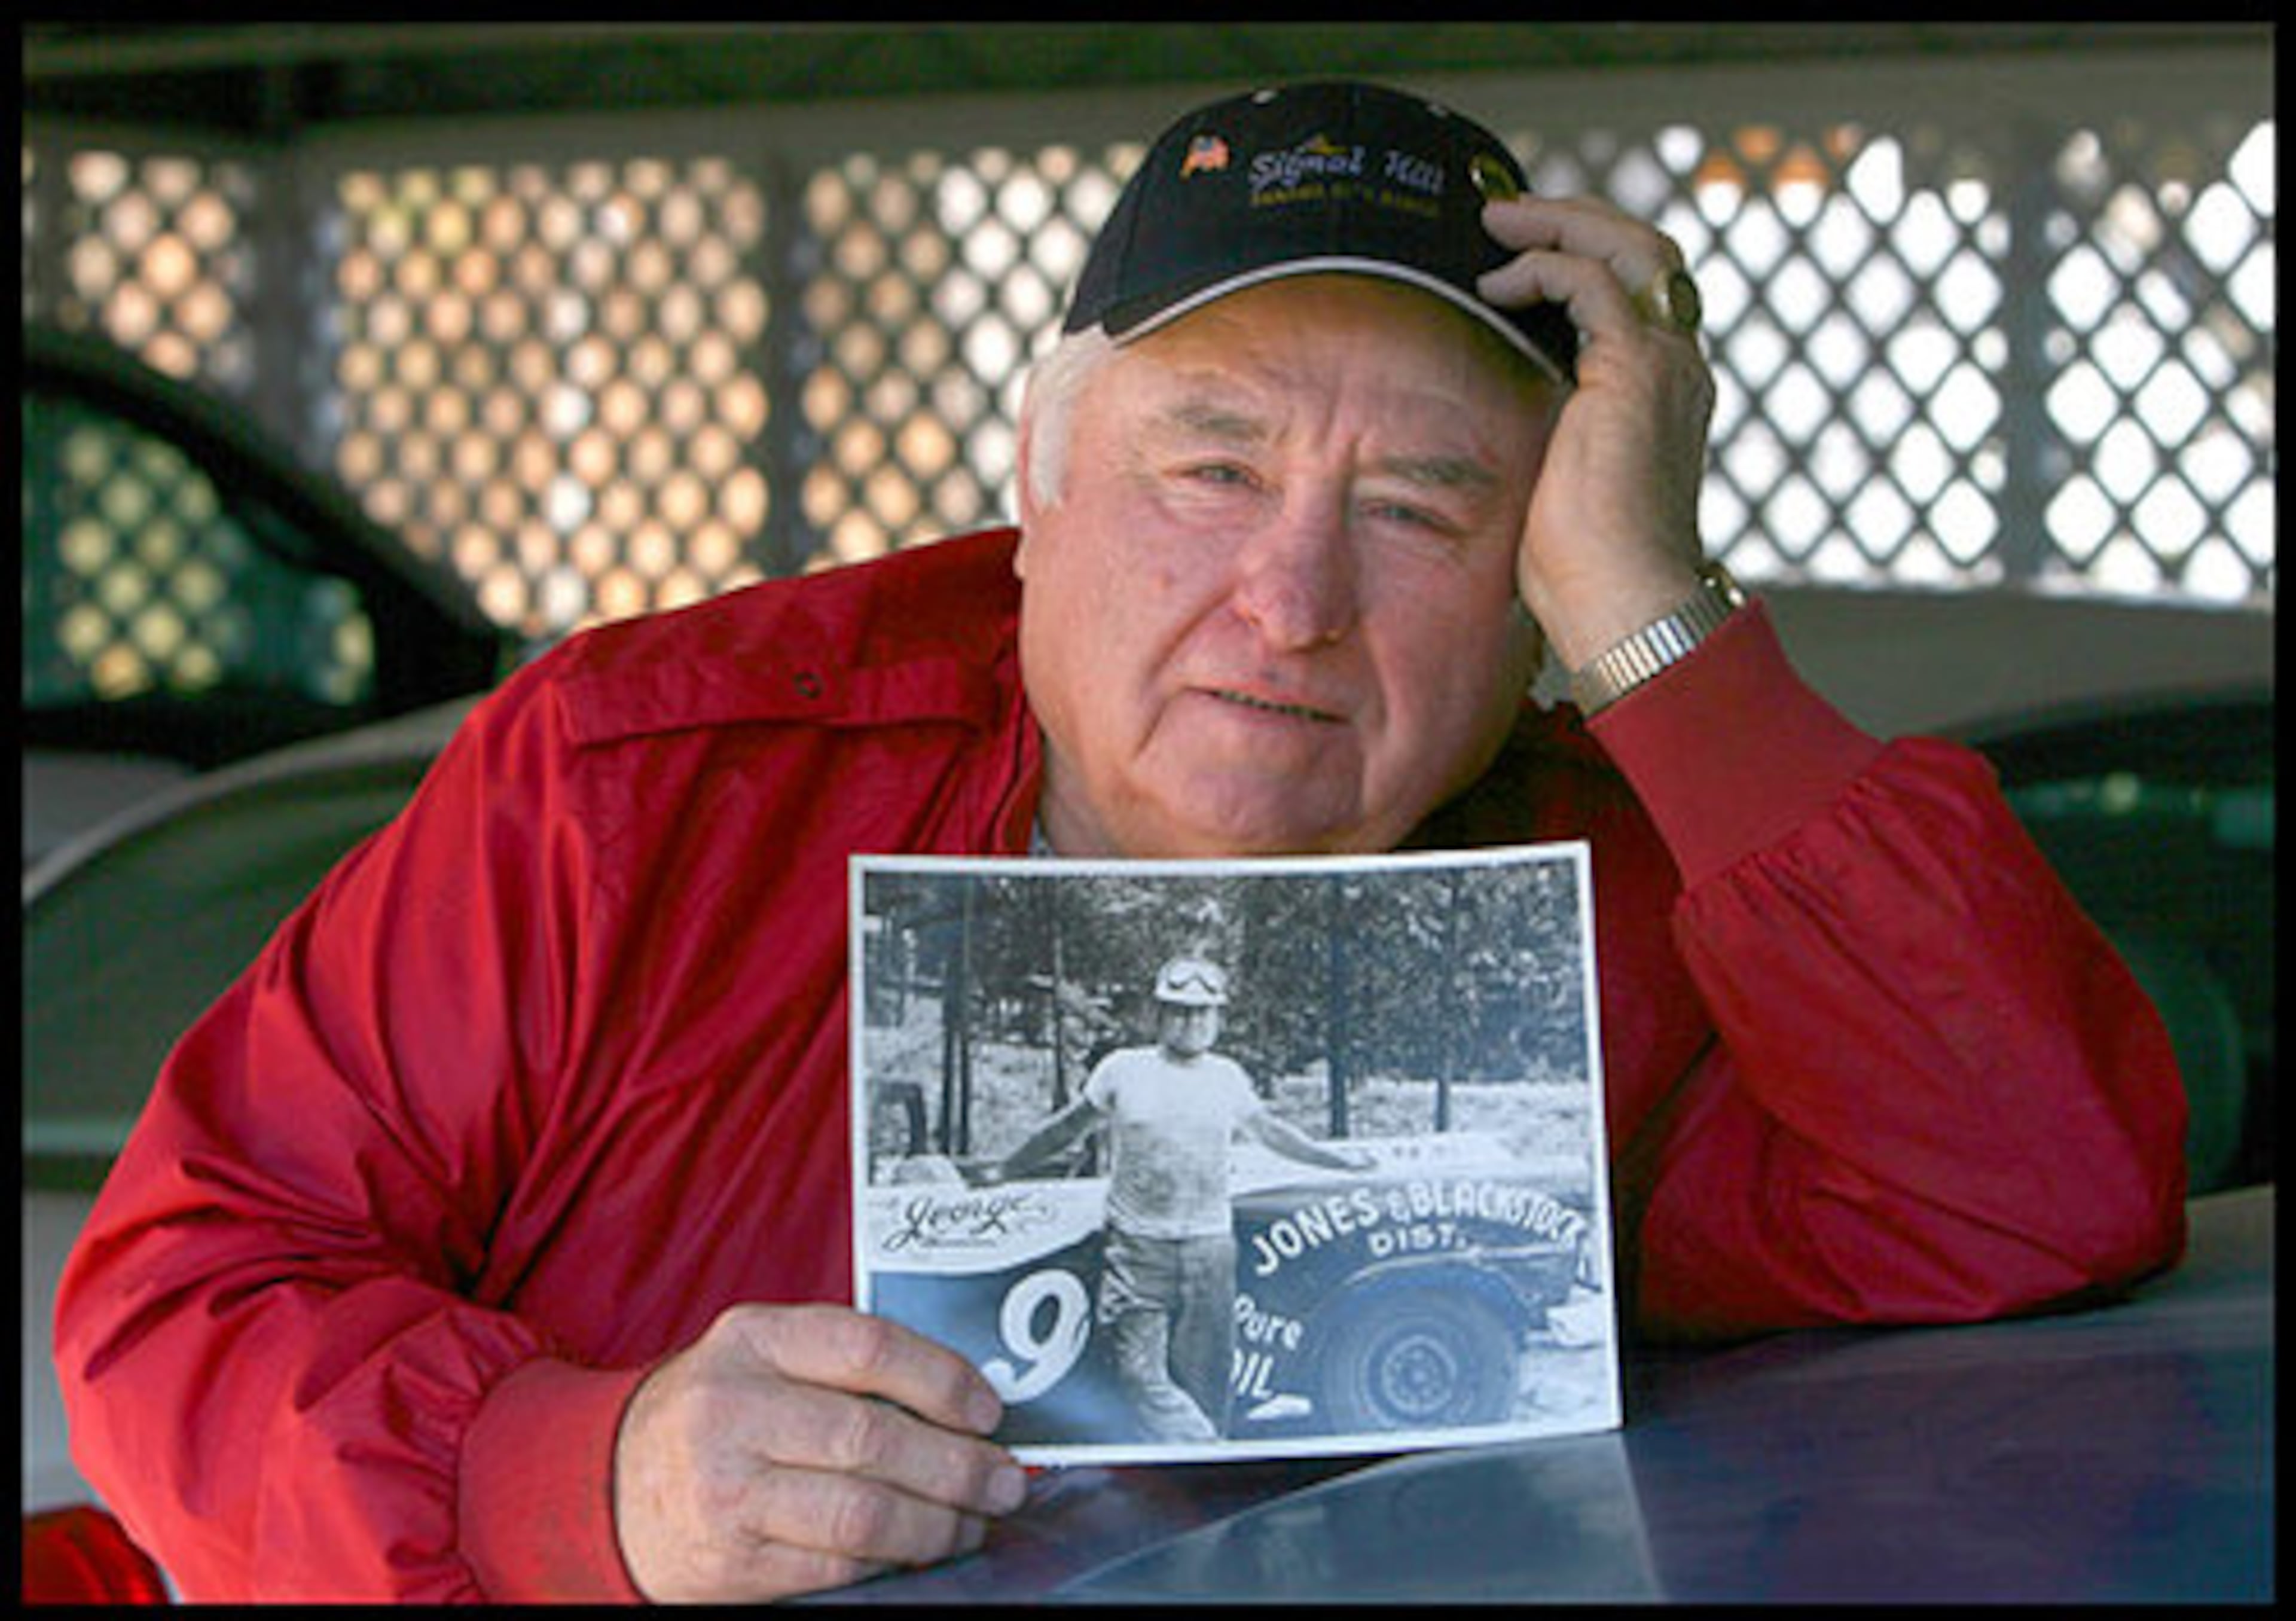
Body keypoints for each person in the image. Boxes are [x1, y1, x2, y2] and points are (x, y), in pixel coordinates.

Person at [54, 80, 2188, 1604]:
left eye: (1427, 506)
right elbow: (180, 1296)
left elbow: (2031, 1176)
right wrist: (584, 1479)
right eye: (1210, 463)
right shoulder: (644, 784)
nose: (1289, 598)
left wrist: (1656, 614)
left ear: (1529, 564)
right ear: (1043, 475)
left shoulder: (1606, 907)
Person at [980, 955, 1375, 1443]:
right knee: (1139, 1375)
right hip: (1137, 1249)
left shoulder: (1227, 1076)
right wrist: (1005, 1168)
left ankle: (1199, 1477)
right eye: (1180, 1010)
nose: (1191, 1022)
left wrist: (1338, 1161)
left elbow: (1272, 1132)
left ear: (1218, 1020)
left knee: (1207, 1384)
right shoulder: (1122, 1069)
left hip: (1209, 1251)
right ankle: (1208, 1449)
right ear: (1158, 1014)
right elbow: (1067, 1127)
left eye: (1203, 1012)